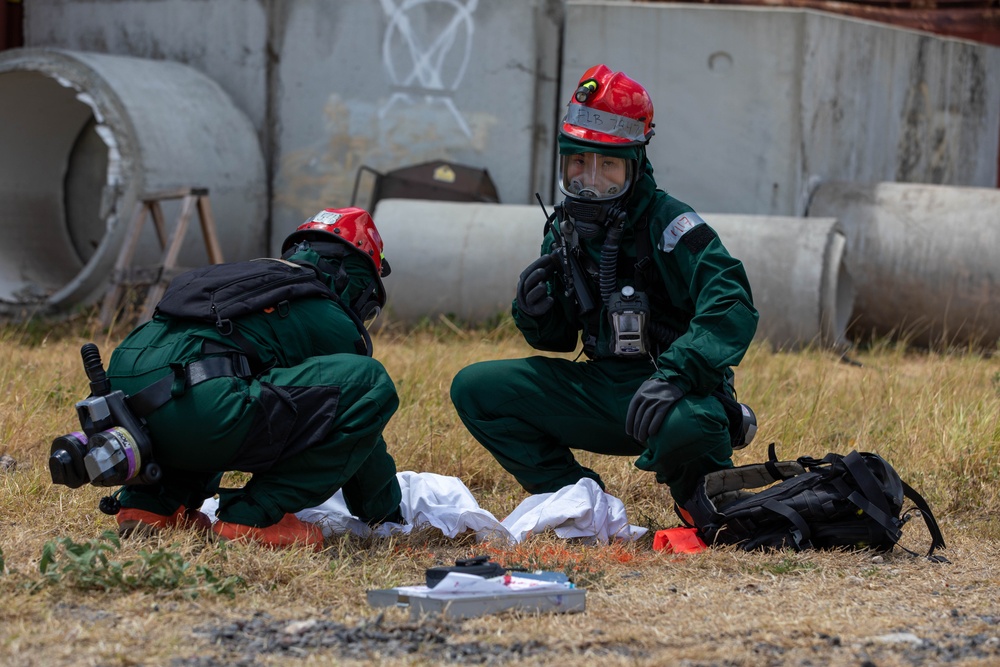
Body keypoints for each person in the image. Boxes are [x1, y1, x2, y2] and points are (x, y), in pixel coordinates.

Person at [450, 64, 759, 522]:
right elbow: (557, 340)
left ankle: (705, 502)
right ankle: (576, 500)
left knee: (690, 424)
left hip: (672, 389)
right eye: (578, 162)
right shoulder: (564, 229)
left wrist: (676, 374)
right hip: (601, 388)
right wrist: (535, 312)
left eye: (607, 165)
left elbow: (732, 301)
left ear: (635, 164)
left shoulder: (670, 223)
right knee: (476, 389)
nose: (589, 180)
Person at [104, 207, 403, 550]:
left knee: (220, 384)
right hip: (199, 412)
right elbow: (359, 410)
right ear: (355, 278)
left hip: (123, 407)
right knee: (370, 383)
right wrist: (384, 511)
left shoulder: (249, 280)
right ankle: (255, 518)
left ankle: (152, 506)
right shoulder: (322, 307)